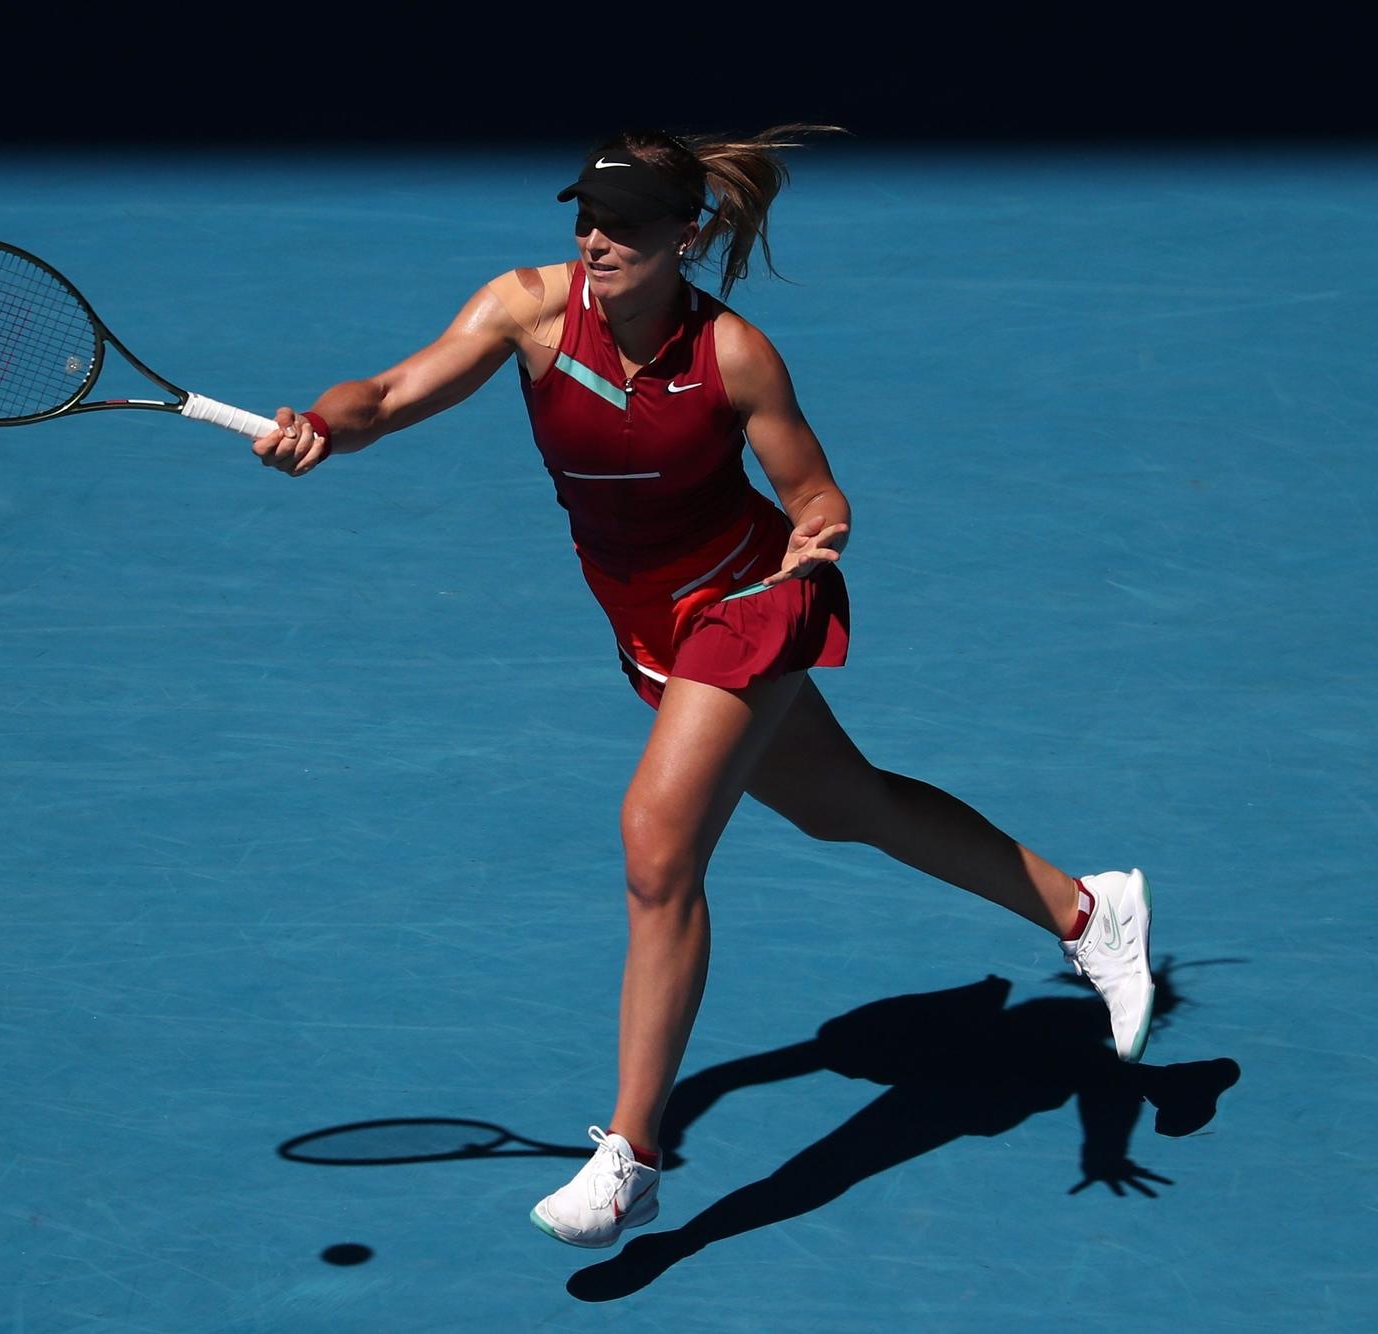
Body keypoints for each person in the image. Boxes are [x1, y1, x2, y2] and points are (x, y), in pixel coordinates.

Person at [248, 127, 1156, 1251]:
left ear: (685, 236)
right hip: (640, 616)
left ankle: (631, 1154)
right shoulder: (527, 308)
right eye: (585, 217)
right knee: (844, 805)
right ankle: (1087, 906)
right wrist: (322, 427)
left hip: (747, 597)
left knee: (656, 844)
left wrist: (816, 541)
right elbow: (384, 392)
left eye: (624, 224)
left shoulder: (733, 354)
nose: (595, 240)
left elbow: (815, 492)